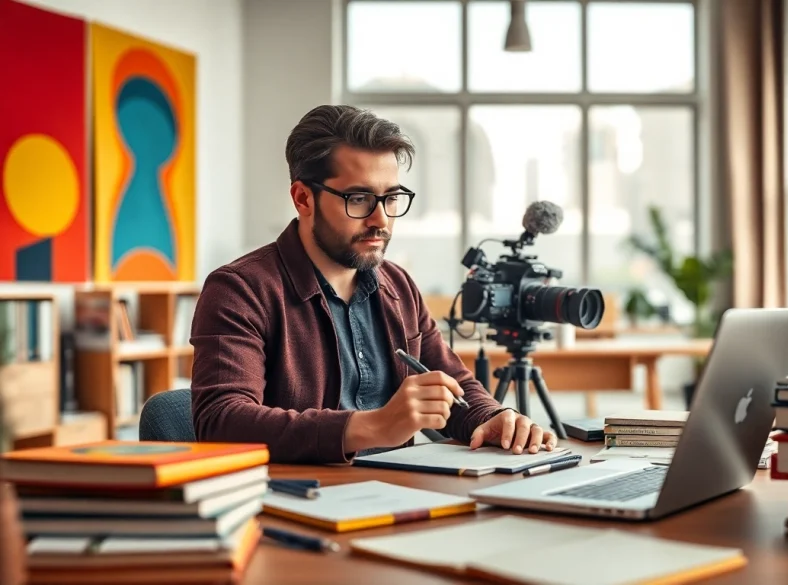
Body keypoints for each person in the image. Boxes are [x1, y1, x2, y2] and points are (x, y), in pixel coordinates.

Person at [189, 105, 558, 464]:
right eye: (359, 198)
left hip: (401, 498)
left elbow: (454, 387)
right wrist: (372, 427)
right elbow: (221, 422)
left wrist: (492, 418)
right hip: (300, 504)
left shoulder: (398, 285)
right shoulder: (239, 290)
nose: (380, 219)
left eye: (391, 197)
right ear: (303, 199)